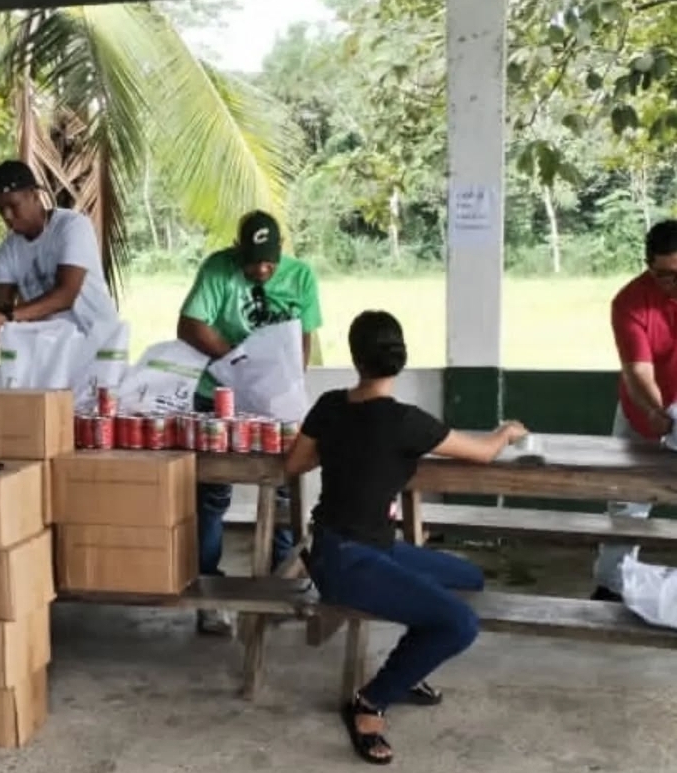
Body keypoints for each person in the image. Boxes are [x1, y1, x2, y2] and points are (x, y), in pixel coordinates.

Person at [284, 310, 528, 764]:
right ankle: (369, 702)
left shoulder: (330, 406)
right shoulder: (407, 422)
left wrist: (339, 448)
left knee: (468, 580)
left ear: (356, 359)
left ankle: (406, 669)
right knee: (459, 623)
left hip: (366, 546)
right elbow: (483, 453)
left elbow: (295, 463)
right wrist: (507, 431)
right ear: (401, 358)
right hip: (344, 561)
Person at [177, 209, 322, 636]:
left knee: (282, 489)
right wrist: (237, 360)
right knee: (211, 493)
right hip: (220, 394)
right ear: (238, 251)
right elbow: (190, 324)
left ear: (281, 252)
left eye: (269, 263)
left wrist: (286, 382)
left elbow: (304, 339)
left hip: (275, 399)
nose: (261, 270)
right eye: (253, 262)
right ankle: (207, 592)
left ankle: (281, 585)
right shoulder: (218, 270)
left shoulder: (301, 277)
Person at [593, 219, 677, 601]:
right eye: (665, 276)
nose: (673, 284)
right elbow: (638, 372)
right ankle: (611, 584)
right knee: (628, 501)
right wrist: (659, 413)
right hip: (643, 412)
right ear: (648, 266)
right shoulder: (630, 301)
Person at [0, 160, 118, 347]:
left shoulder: (72, 226)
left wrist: (7, 317)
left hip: (97, 343)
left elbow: (65, 295)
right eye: (1, 209)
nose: (7, 215)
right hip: (51, 350)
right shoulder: (7, 252)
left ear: (35, 195)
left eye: (13, 205)